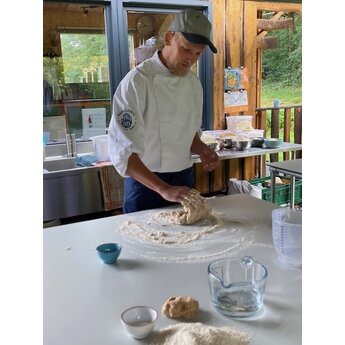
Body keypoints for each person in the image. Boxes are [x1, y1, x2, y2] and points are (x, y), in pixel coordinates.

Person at [108, 9, 219, 213]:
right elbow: (123, 153)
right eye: (186, 49)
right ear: (169, 38)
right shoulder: (136, 83)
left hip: (184, 178)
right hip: (146, 184)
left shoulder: (193, 83)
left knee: (189, 241)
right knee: (142, 243)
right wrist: (163, 188)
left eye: (198, 54)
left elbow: (187, 134)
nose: (191, 60)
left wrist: (202, 149)